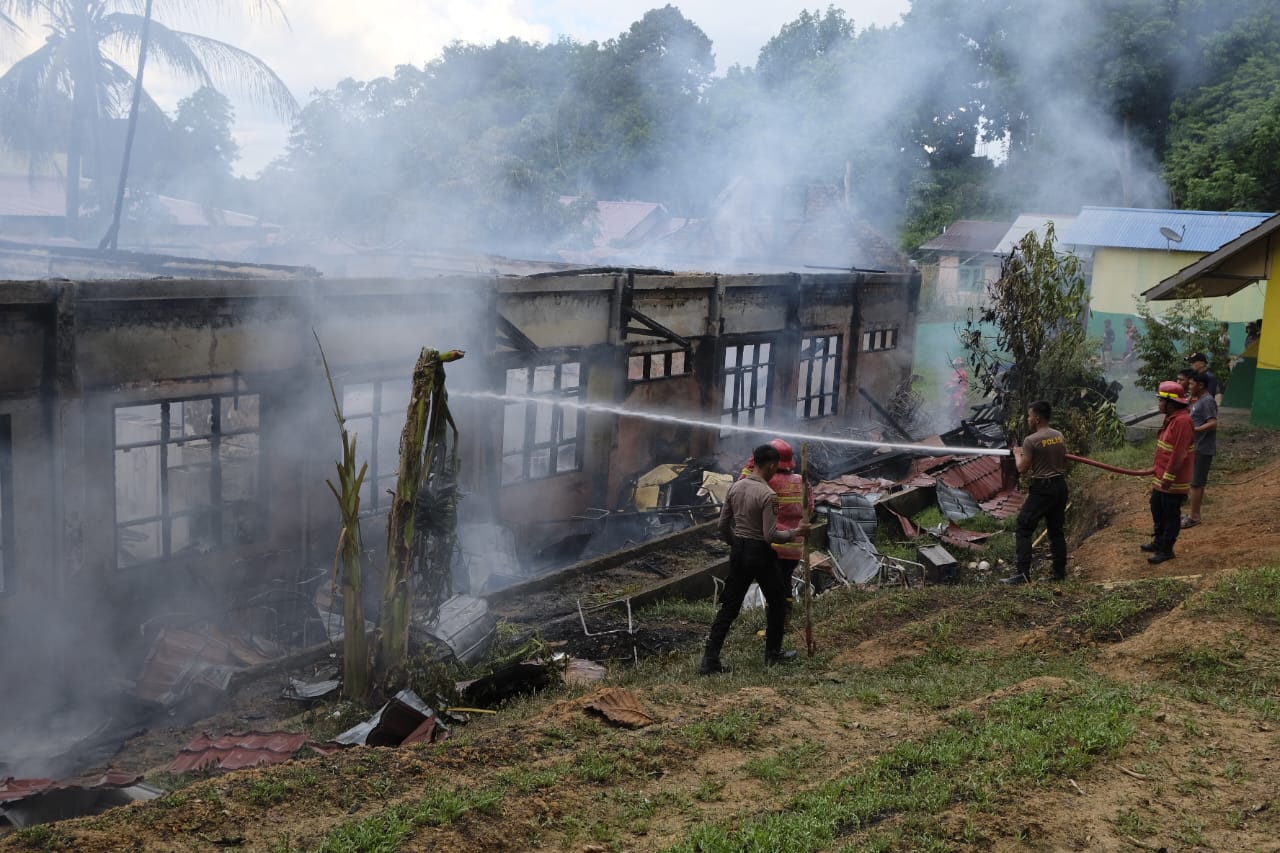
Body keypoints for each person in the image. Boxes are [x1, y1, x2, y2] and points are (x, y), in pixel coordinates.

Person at [701, 444, 809, 675]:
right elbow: (771, 535)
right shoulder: (768, 495)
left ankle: (709, 660)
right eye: (775, 468)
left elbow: (722, 525)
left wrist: (734, 543)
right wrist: (796, 532)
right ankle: (773, 653)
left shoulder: (736, 487)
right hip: (760, 553)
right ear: (771, 465)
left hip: (739, 551)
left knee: (729, 607)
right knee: (778, 601)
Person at [738, 438, 810, 634]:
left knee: (773, 589)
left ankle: (774, 626)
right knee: (785, 582)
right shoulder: (801, 481)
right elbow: (809, 509)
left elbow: (742, 488)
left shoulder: (768, 481)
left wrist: (751, 465)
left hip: (774, 544)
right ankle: (785, 621)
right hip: (795, 547)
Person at [1000, 401, 1069, 585]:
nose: (1028, 419)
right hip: (1060, 486)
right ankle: (1059, 573)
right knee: (1056, 531)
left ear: (1037, 418)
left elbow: (1022, 468)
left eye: (1030, 416)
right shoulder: (1058, 435)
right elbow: (1063, 459)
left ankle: (1022, 575)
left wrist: (1017, 453)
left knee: (1023, 526)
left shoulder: (1031, 440)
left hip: (1043, 488)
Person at [1140, 381, 1195, 564]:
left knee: (1170, 514)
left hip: (1173, 479)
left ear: (1170, 403)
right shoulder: (1172, 418)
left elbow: (1179, 453)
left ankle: (1166, 550)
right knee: (1157, 507)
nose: (1159, 404)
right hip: (1161, 475)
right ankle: (1158, 541)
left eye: (1161, 400)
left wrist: (1168, 477)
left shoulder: (1182, 422)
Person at [1182, 370, 1218, 529]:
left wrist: (1195, 430)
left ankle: (1195, 516)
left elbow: (1212, 423)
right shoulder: (1198, 401)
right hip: (1196, 447)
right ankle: (1192, 513)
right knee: (1193, 482)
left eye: (1191, 384)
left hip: (1203, 448)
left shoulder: (1207, 401)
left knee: (1197, 483)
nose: (1189, 386)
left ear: (1201, 385)